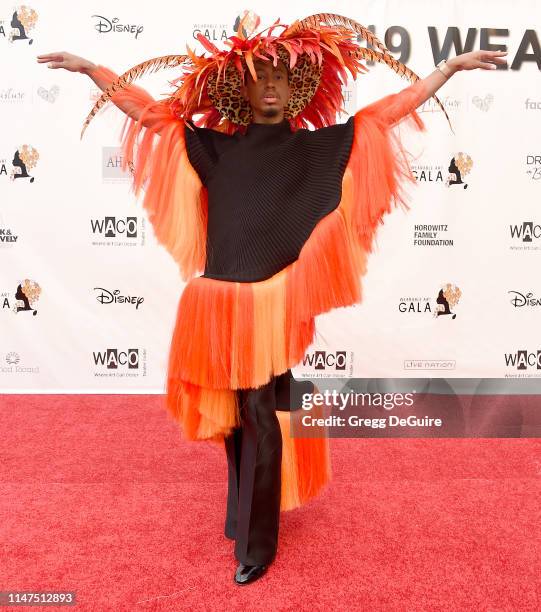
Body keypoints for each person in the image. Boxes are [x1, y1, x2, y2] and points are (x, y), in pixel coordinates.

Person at [37, 12, 507, 585]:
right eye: (261, 80)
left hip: (271, 306)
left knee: (261, 413)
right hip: (216, 308)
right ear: (241, 91)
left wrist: (448, 70)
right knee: (239, 418)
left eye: (283, 80)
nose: (273, 89)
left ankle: (257, 544)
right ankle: (243, 515)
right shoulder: (210, 148)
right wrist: (92, 70)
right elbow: (147, 112)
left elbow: (388, 111)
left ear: (298, 90)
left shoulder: (320, 150)